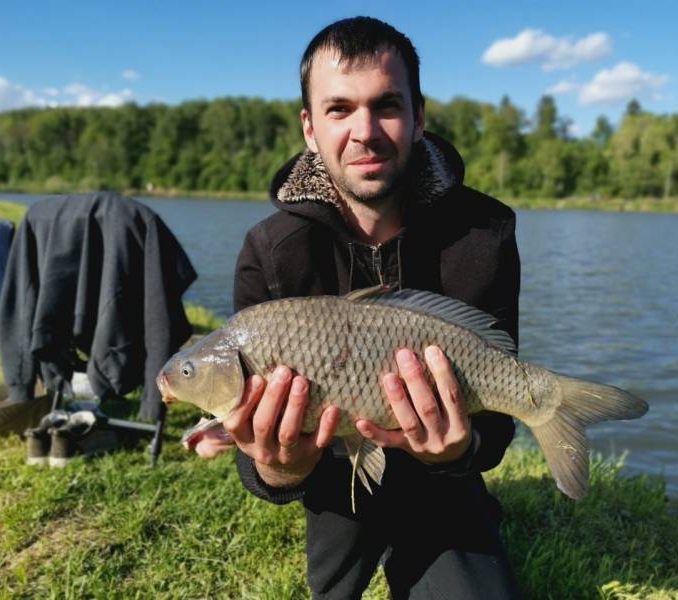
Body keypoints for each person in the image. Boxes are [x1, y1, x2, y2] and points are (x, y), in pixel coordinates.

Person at [195, 16, 522, 599]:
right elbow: (261, 466)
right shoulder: (270, 251)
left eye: (387, 106)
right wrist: (279, 465)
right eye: (339, 109)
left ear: (420, 117)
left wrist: (458, 451)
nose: (364, 131)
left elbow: (494, 428)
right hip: (331, 474)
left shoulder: (485, 234)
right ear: (310, 128)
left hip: (444, 488)